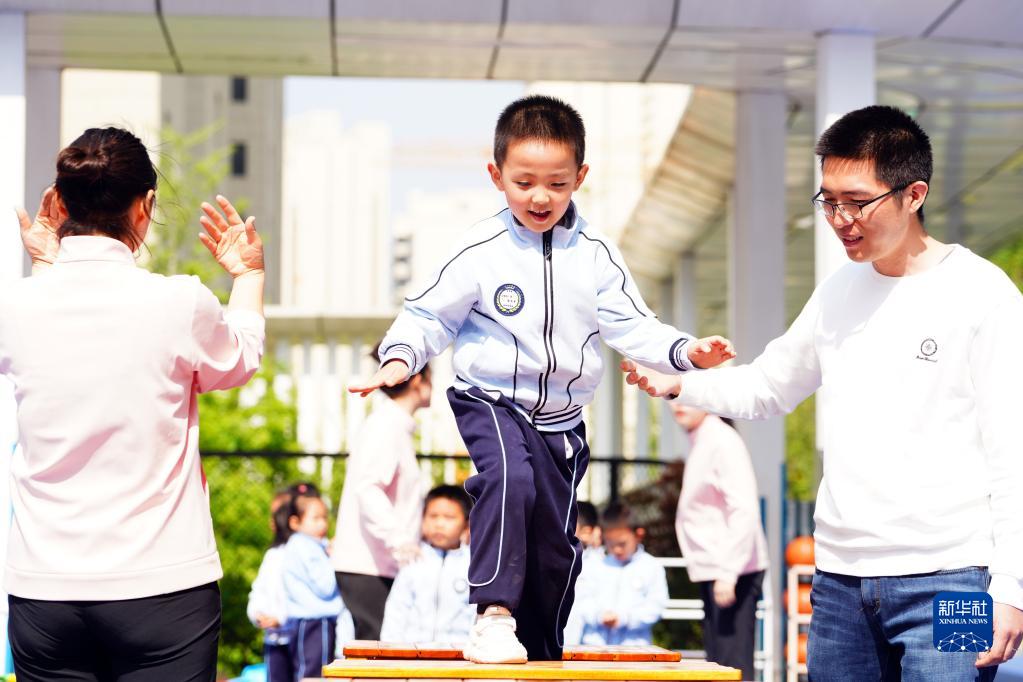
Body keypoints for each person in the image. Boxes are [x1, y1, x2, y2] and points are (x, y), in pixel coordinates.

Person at [621, 105, 1023, 680]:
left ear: (914, 194)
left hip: (955, 579)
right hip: (839, 586)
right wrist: (680, 382)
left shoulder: (984, 295)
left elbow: (1014, 451)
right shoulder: (838, 292)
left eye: (856, 202)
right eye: (828, 201)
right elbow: (769, 385)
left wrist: (1012, 585)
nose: (840, 219)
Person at [349, 95, 734, 664]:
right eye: (523, 182)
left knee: (556, 548)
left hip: (562, 419)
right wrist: (400, 357)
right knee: (511, 478)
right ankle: (492, 615)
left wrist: (685, 351)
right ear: (496, 175)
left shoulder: (596, 254)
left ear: (580, 176)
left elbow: (633, 324)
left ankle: (541, 648)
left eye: (556, 184)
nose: (539, 197)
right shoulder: (479, 250)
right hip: (491, 398)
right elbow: (429, 314)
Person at [1, 127, 265, 681]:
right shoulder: (179, 301)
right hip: (163, 585)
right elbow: (239, 360)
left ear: (58, 202)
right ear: (145, 206)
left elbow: (54, 334)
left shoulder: (16, 304)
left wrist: (46, 266)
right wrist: (248, 275)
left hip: (44, 588)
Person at [332, 344, 432, 641]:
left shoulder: (393, 425)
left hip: (379, 564)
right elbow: (368, 488)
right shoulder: (386, 425)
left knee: (383, 650)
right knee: (378, 653)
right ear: (418, 380)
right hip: (369, 565)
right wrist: (400, 540)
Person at [671, 404, 767, 680]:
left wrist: (728, 573)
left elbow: (744, 509)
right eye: (671, 396)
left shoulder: (722, 441)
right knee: (717, 666)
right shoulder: (703, 439)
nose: (676, 404)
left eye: (684, 396)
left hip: (731, 571)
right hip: (717, 569)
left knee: (731, 668)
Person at [380, 485, 475, 643]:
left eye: (449, 517)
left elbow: (475, 614)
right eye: (433, 516)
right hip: (412, 652)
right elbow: (397, 609)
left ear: (466, 524)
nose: (439, 524)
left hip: (459, 652)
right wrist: (390, 647)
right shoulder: (413, 561)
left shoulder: (472, 565)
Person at [573, 501, 668, 646]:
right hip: (594, 646)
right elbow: (582, 599)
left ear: (638, 535)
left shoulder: (651, 566)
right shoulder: (595, 564)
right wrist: (599, 616)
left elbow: (656, 605)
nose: (616, 549)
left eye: (622, 544)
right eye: (610, 544)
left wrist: (625, 618)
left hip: (635, 648)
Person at [282, 490, 342, 681]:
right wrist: (334, 558)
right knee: (316, 675)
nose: (322, 524)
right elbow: (326, 586)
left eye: (324, 518)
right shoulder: (307, 547)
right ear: (295, 522)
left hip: (303, 623)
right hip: (316, 623)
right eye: (315, 518)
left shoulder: (299, 545)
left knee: (305, 672)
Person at [248, 491, 297, 682]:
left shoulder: (299, 554)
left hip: (297, 638)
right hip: (274, 640)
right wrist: (257, 614)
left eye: (277, 514)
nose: (272, 521)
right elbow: (259, 590)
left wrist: (281, 618)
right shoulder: (272, 555)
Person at [563, 500, 604, 647]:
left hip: (593, 643)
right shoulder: (559, 557)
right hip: (565, 639)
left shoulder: (601, 563)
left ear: (587, 532)